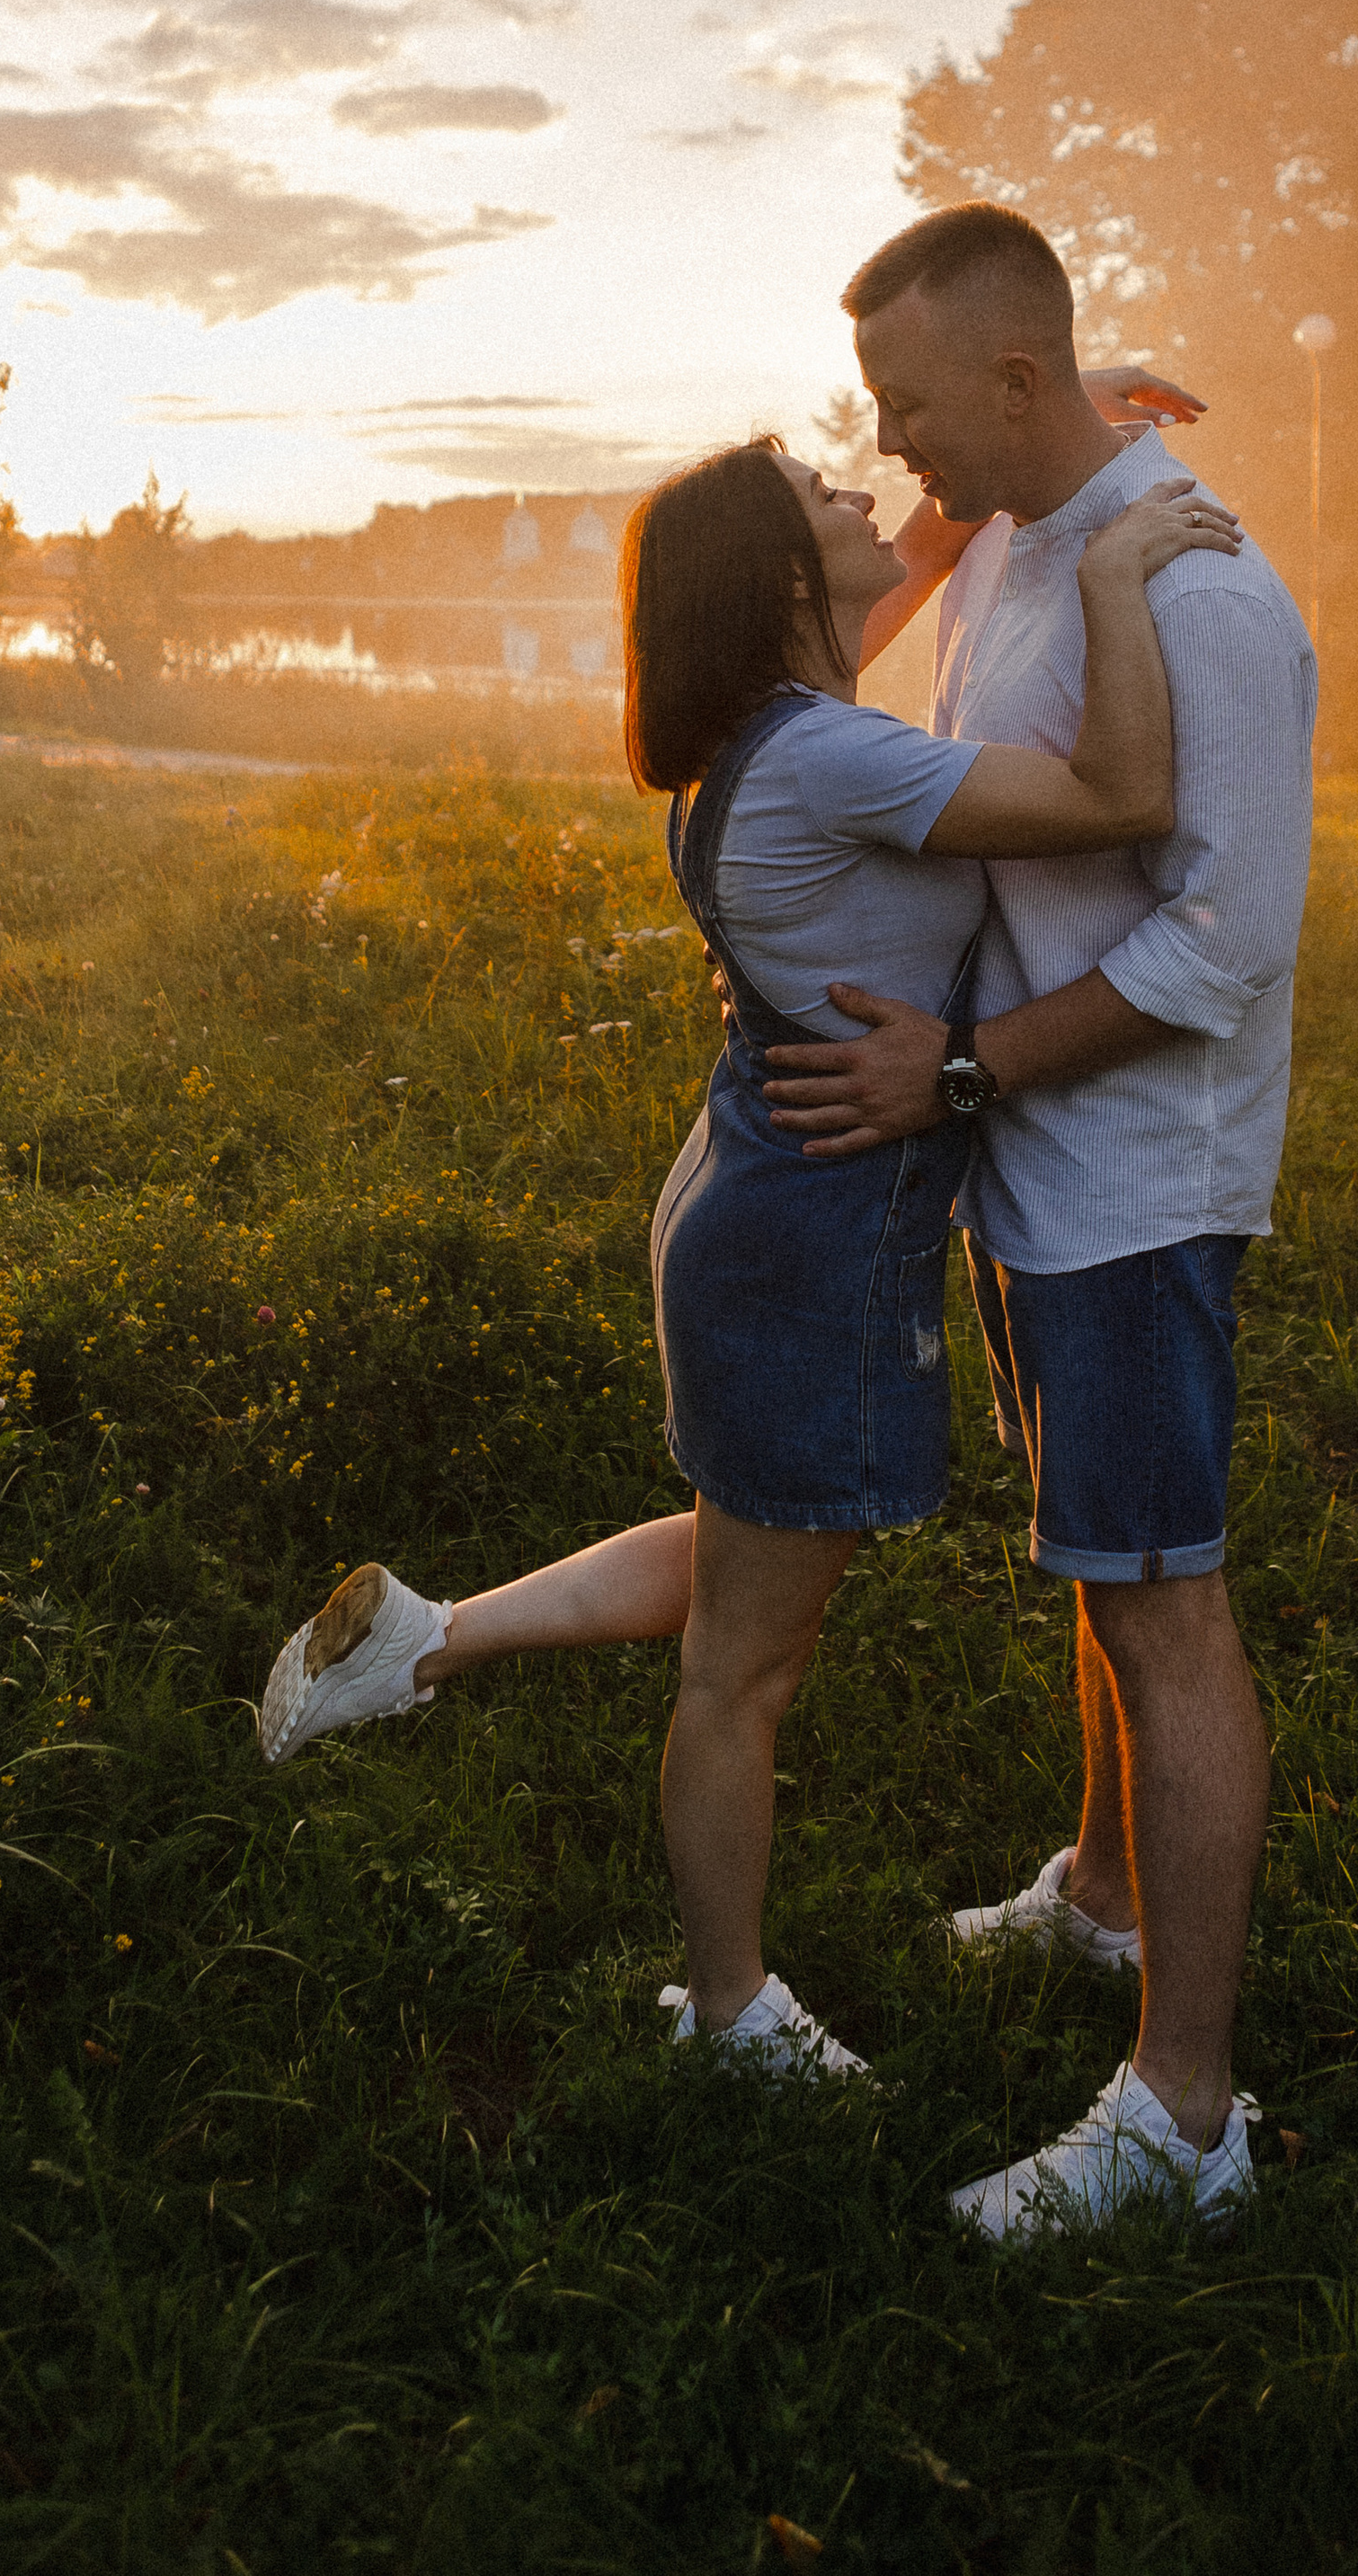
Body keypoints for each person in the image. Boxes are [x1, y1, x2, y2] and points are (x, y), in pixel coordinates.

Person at [257, 430, 1240, 2082]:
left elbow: (904, 560)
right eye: (821, 496)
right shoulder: (828, 759)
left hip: (747, 1198)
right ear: (782, 581)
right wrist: (1114, 566)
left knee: (745, 1556)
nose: (868, 492)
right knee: (743, 1669)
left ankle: (425, 1642)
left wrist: (1050, 428)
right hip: (809, 1242)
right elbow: (1124, 794)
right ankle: (728, 2017)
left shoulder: (765, 730)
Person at [764, 201, 1317, 2243]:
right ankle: (1100, 1894)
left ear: (1009, 382)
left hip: (1137, 1187)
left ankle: (1181, 2118)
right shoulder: (1019, 533)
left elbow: (1217, 949)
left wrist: (967, 1072)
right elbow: (879, 640)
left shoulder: (1207, 597)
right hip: (1038, 1175)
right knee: (1099, 1565)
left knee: (1165, 1603)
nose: (892, 444)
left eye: (911, 405)